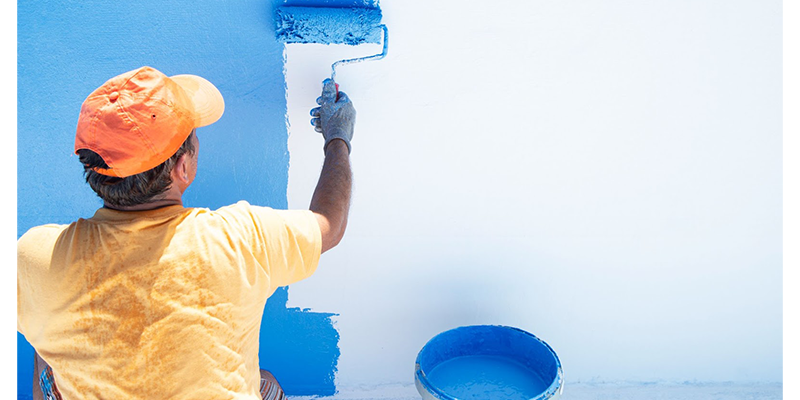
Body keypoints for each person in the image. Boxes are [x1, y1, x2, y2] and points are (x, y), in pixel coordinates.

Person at [17, 66, 355, 399]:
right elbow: (328, 223)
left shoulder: (36, 256)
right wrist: (337, 138)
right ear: (183, 168)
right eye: (193, 138)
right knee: (266, 384)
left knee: (43, 328)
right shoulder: (240, 239)